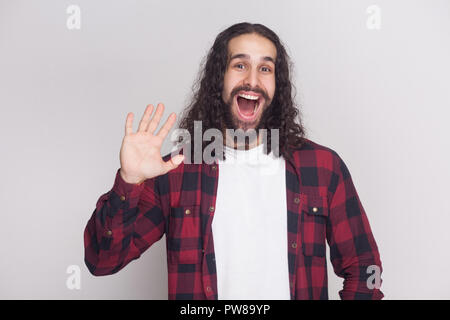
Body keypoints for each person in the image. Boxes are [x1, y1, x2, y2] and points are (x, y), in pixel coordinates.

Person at [84, 22, 384, 300]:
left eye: (265, 69)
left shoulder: (322, 167)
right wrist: (129, 181)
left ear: (276, 84)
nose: (252, 81)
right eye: (240, 65)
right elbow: (102, 260)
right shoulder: (177, 171)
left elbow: (364, 268)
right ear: (219, 78)